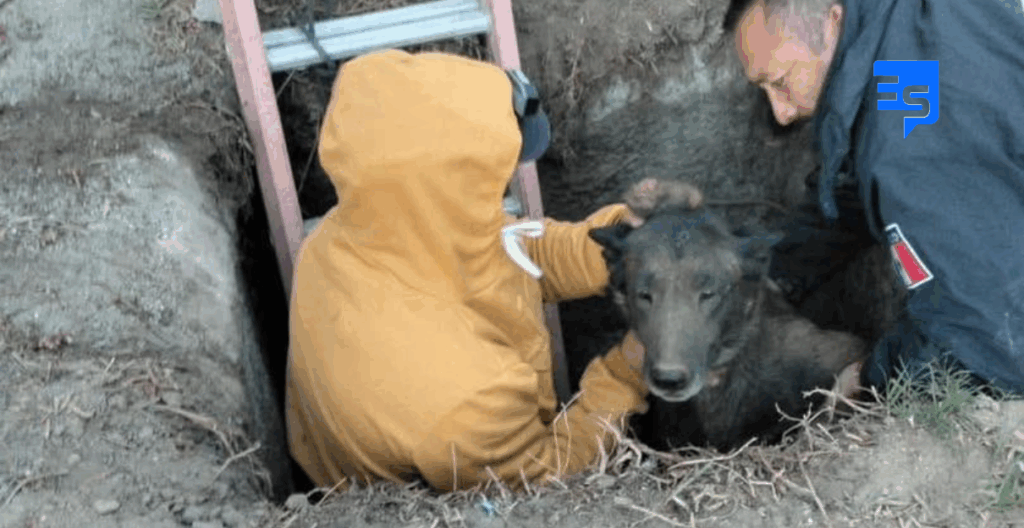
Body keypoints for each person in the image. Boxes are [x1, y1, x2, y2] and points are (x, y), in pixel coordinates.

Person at [284, 48, 650, 492]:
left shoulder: (340, 240)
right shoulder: (468, 404)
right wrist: (622, 376)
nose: (501, 187)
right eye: (488, 181)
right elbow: (548, 477)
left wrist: (615, 248)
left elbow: (507, 250)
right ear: (450, 190)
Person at [725, 0, 1024, 394]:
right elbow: (854, 183)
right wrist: (770, 269)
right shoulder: (904, 25)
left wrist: (871, 377)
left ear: (831, 23)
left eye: (780, 82)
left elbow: (986, 336)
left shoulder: (907, 146)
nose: (780, 114)